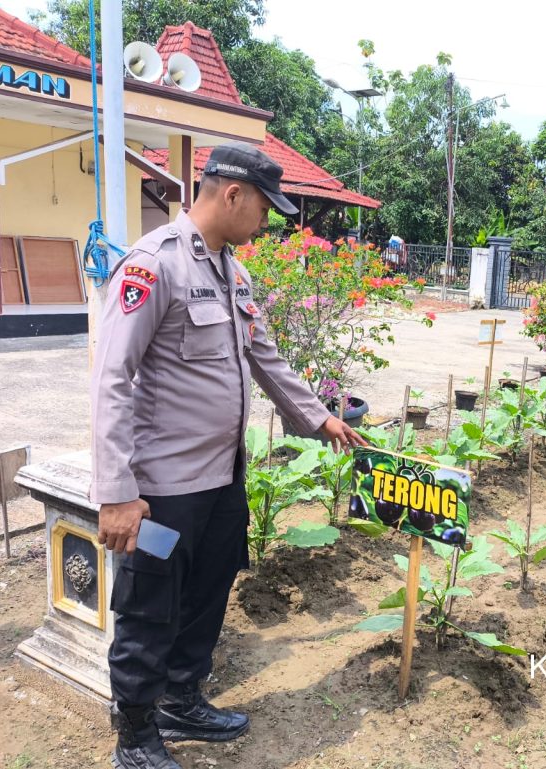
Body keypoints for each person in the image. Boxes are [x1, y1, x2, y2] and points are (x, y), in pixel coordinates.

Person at [90, 142, 367, 769]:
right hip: (162, 488)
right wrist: (115, 491)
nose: (268, 222)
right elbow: (111, 378)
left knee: (209, 591)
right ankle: (134, 737)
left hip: (221, 480)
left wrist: (318, 417)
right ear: (232, 194)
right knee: (150, 605)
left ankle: (181, 698)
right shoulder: (152, 266)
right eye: (265, 208)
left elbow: (263, 357)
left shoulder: (233, 273)